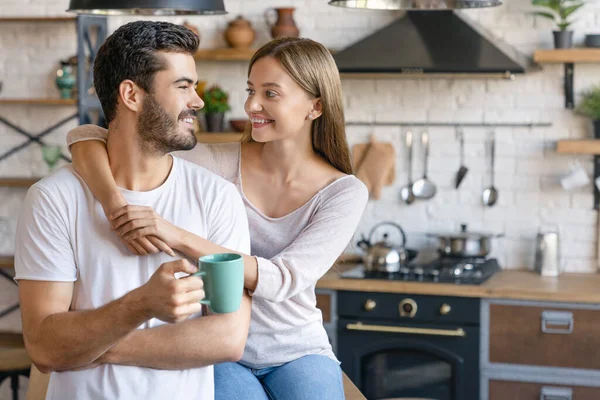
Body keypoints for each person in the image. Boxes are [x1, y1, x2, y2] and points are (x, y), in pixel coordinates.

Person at [66, 36, 368, 400]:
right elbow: (87, 136)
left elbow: (283, 279)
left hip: (297, 349)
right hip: (218, 346)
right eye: (251, 90)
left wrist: (175, 235)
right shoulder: (218, 162)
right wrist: (114, 204)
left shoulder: (343, 192)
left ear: (315, 106)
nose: (251, 104)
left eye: (270, 93)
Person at [15, 20, 252, 400]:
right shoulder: (54, 199)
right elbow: (44, 346)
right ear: (131, 95)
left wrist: (93, 348)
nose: (198, 101)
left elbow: (227, 338)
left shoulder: (216, 197)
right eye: (183, 86)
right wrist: (142, 304)